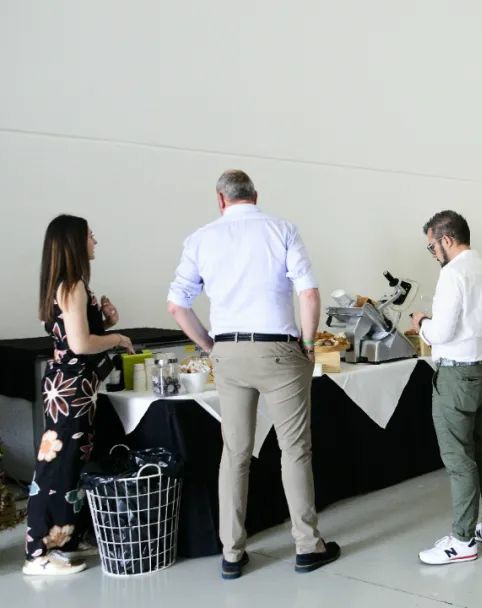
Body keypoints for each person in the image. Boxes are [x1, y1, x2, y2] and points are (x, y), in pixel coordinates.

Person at [168, 170, 339, 579]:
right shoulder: (282, 230)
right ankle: (307, 545)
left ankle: (231, 553)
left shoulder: (200, 239)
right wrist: (309, 343)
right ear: (255, 195)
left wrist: (210, 346)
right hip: (279, 350)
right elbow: (309, 293)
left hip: (228, 351)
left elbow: (177, 306)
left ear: (220, 200)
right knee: (293, 449)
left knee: (235, 452)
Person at [24, 215, 134, 576]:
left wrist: (106, 322)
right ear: (75, 242)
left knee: (71, 466)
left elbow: (76, 336)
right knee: (57, 468)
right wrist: (117, 338)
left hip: (73, 388)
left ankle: (66, 539)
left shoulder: (68, 286)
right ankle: (39, 553)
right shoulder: (72, 286)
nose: (95, 241)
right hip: (71, 390)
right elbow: (81, 344)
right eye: (90, 235)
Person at [410, 210, 482, 564]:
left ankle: (463, 539)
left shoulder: (453, 274)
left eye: (432, 246)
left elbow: (441, 332)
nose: (433, 253)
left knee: (459, 459)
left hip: (458, 377)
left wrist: (422, 323)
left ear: (447, 239)